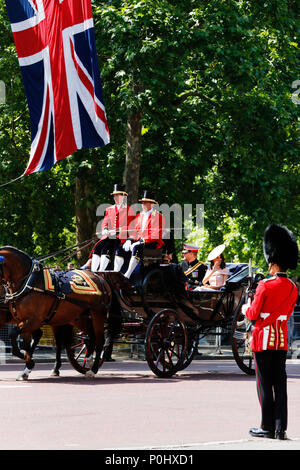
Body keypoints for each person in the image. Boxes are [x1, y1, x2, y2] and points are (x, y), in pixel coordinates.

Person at [243, 224, 298, 440]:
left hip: (263, 339)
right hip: (281, 339)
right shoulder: (293, 287)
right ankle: (280, 428)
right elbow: (288, 311)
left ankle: (266, 426)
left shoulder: (265, 286)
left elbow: (253, 313)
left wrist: (247, 306)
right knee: (280, 384)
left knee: (264, 384)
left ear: (273, 264)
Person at [114, 190, 165, 279]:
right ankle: (116, 274)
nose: (143, 204)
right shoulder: (139, 216)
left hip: (152, 243)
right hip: (139, 241)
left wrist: (141, 241)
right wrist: (129, 240)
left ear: (152, 204)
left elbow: (155, 234)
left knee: (136, 248)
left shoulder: (158, 216)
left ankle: (127, 275)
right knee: (120, 248)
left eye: (145, 203)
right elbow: (134, 231)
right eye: (142, 203)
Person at [89, 184, 135, 272]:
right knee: (97, 247)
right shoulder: (109, 209)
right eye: (114, 196)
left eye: (118, 195)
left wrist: (119, 230)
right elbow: (105, 221)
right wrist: (105, 228)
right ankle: (93, 271)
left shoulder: (129, 210)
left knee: (106, 249)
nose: (115, 197)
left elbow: (130, 226)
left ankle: (101, 271)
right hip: (109, 236)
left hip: (120, 237)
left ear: (123, 196)